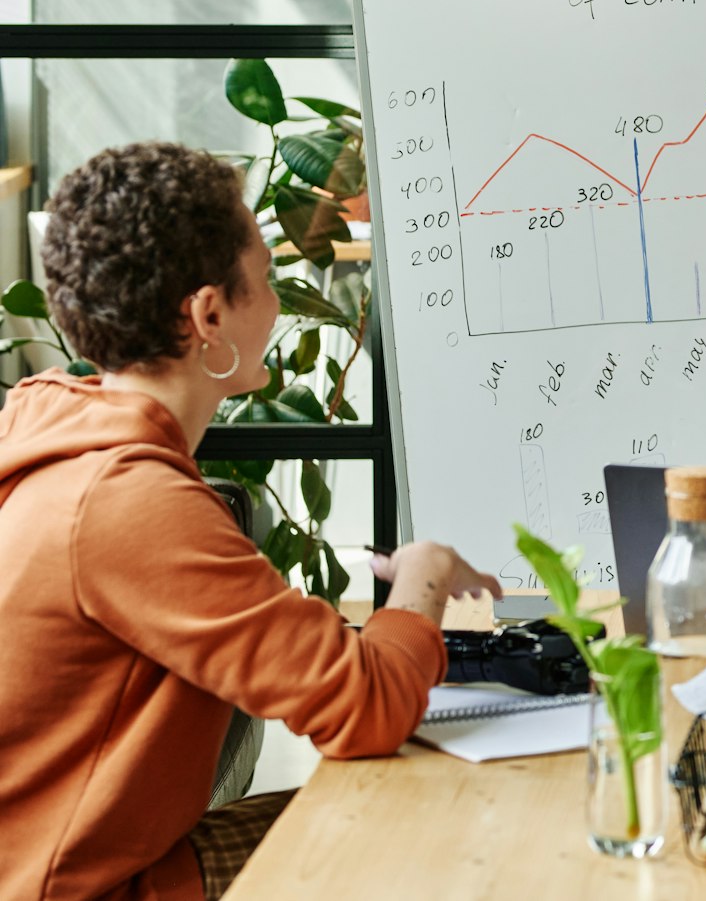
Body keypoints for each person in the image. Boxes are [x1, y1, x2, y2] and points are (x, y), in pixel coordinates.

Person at [0, 142, 502, 901]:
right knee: (424, 813)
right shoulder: (127, 502)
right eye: (265, 277)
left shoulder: (60, 432)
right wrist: (426, 570)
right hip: (86, 889)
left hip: (72, 862)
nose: (275, 299)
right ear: (208, 313)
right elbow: (366, 706)